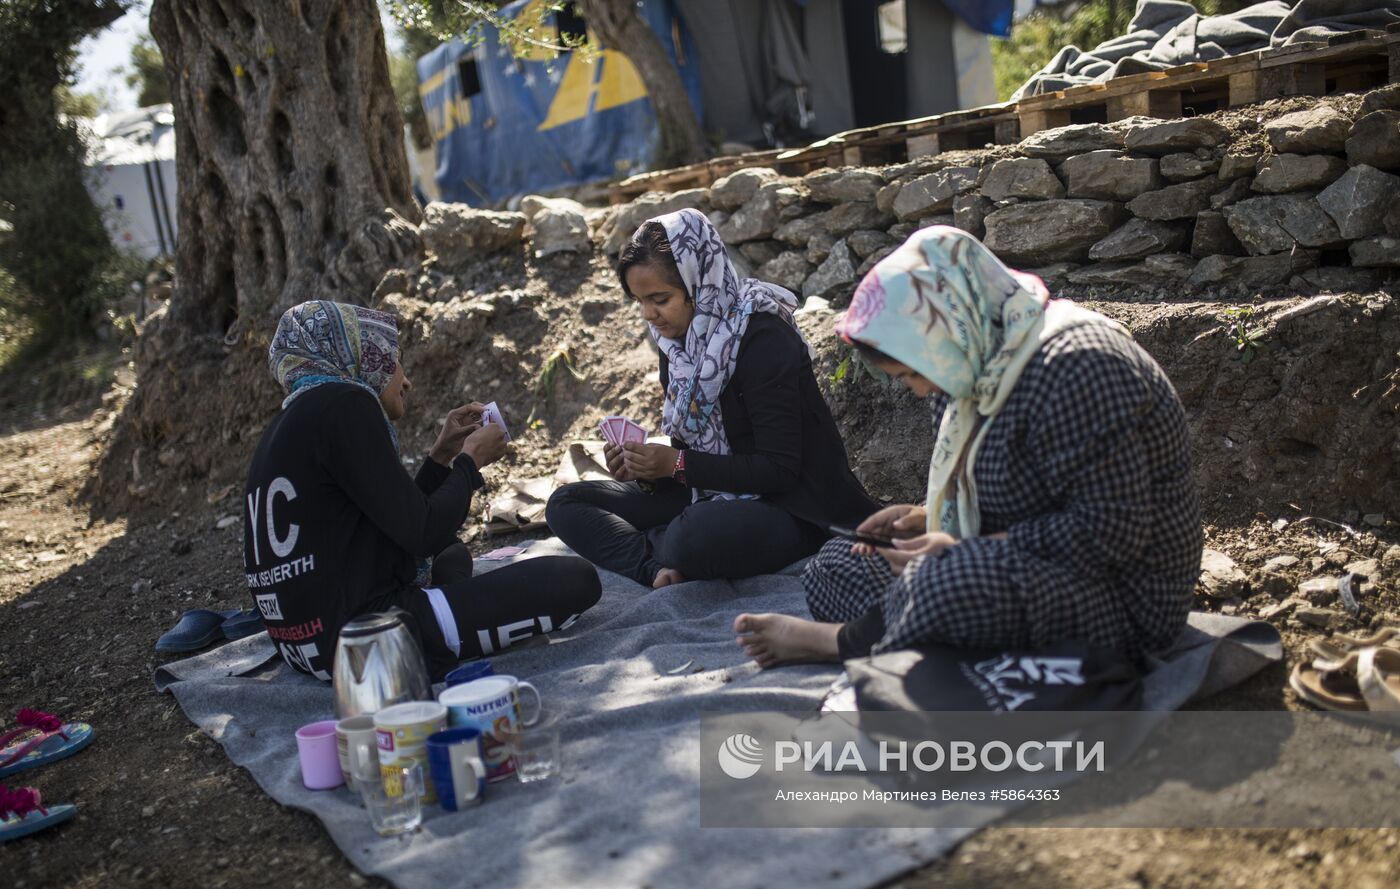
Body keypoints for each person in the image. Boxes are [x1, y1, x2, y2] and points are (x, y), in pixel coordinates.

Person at [734, 226, 1202, 667]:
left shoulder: (1079, 366)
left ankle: (838, 642)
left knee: (942, 583)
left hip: (1121, 595)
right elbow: (1008, 495)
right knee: (834, 567)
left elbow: (1110, 535)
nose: (920, 391)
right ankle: (910, 623)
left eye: (915, 372)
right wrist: (927, 520)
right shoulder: (971, 368)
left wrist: (955, 550)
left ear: (946, 326)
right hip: (1017, 564)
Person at [244, 299, 601, 682]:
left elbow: (399, 525)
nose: (405, 379)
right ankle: (448, 626)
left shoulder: (290, 422)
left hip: (302, 646)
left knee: (451, 554)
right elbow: (422, 532)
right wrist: (469, 463)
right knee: (577, 579)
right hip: (371, 640)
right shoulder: (347, 403)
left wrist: (440, 456)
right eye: (392, 357)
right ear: (360, 355)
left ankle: (457, 614)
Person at [546, 208, 878, 588]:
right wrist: (645, 471)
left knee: (693, 536)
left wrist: (676, 465)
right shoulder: (677, 344)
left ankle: (663, 547)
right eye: (639, 301)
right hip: (706, 494)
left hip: (793, 506)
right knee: (567, 503)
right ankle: (653, 568)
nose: (649, 314)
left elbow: (779, 470)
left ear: (699, 283)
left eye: (659, 298)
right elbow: (687, 455)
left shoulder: (762, 336)